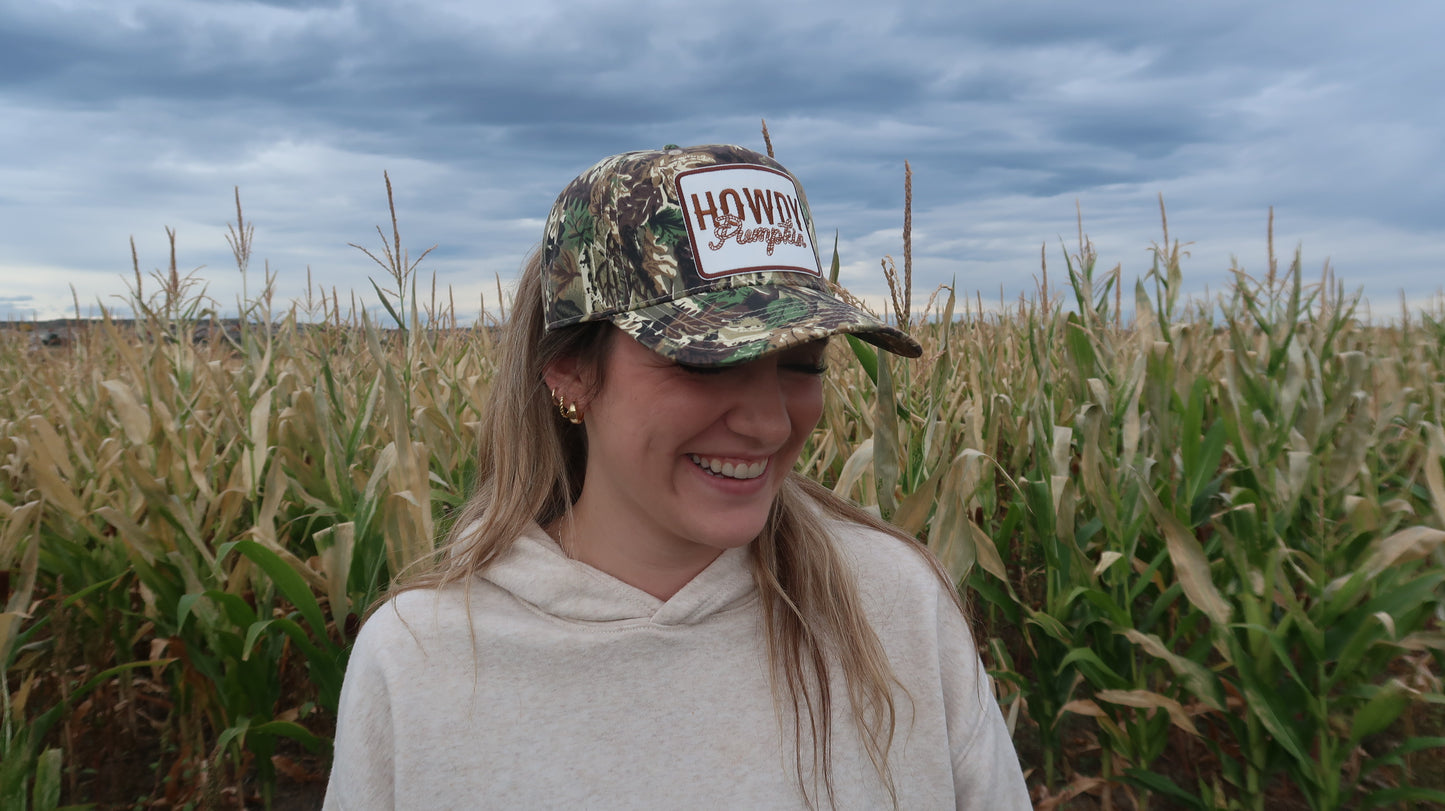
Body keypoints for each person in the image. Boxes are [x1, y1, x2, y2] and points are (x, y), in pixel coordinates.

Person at [323, 144, 1031, 810]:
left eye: (803, 362)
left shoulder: (896, 604)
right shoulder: (418, 659)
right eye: (706, 360)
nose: (770, 424)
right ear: (569, 369)